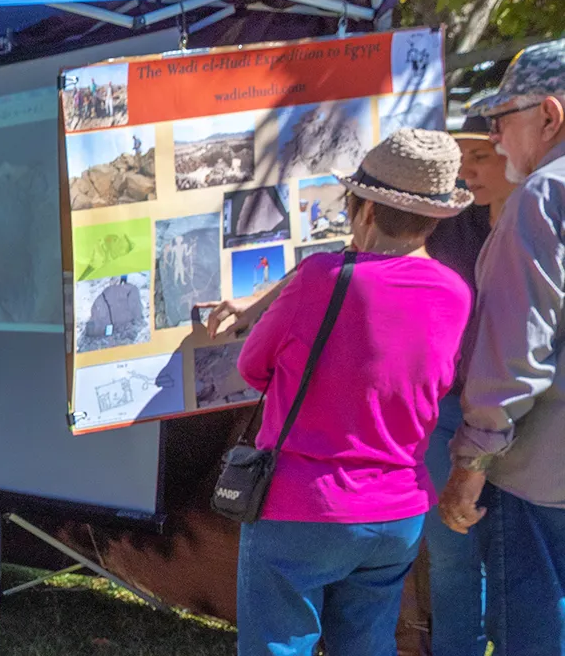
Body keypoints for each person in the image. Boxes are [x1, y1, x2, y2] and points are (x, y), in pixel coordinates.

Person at [234, 129, 474, 656]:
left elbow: (252, 367)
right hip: (397, 513)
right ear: (435, 218)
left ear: (364, 210)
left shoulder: (321, 277)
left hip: (302, 504)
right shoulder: (455, 293)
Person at [438, 38, 565, 655]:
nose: (495, 138)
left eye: (500, 120)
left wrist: (470, 467)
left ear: (550, 115)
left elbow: (516, 352)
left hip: (541, 482)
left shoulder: (543, 194)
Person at [417, 100, 518, 656]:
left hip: (526, 420)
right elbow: (356, 257)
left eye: (480, 156)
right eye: (461, 157)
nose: (467, 170)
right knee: (453, 553)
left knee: (521, 561)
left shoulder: (541, 221)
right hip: (450, 412)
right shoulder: (448, 218)